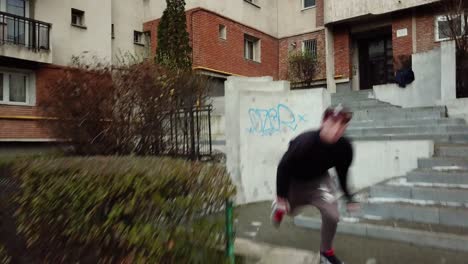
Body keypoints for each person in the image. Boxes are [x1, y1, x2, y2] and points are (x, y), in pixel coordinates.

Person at [271, 105, 359, 264]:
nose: (337, 130)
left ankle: (326, 253)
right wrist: (281, 197)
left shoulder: (344, 148)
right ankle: (279, 208)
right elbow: (283, 167)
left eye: (342, 125)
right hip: (295, 182)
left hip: (319, 182)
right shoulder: (305, 143)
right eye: (333, 123)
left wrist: (349, 197)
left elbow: (342, 174)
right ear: (324, 122)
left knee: (333, 215)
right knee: (290, 211)